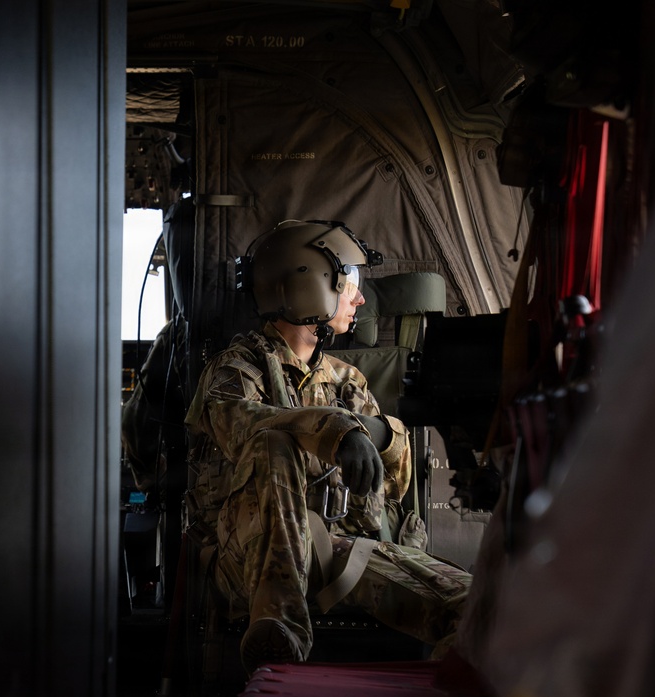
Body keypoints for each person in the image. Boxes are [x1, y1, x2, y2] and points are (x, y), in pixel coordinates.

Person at [183, 219, 472, 674]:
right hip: (250, 557)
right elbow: (239, 426)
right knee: (272, 442)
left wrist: (376, 432)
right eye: (349, 283)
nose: (359, 297)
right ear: (308, 287)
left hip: (335, 548)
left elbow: (394, 484)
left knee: (476, 607)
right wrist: (336, 430)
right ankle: (280, 626)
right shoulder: (234, 369)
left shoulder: (345, 379)